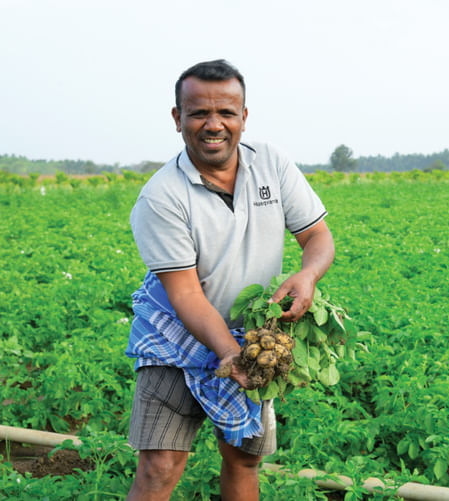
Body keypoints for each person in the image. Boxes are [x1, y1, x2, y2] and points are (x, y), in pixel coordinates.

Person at [125, 59, 334, 501]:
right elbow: (184, 294)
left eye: (226, 112)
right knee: (161, 464)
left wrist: (308, 274)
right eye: (199, 113)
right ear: (178, 118)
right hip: (174, 337)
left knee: (243, 457)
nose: (213, 124)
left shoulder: (271, 164)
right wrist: (228, 352)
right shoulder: (162, 196)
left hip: (253, 336)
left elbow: (317, 236)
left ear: (244, 116)